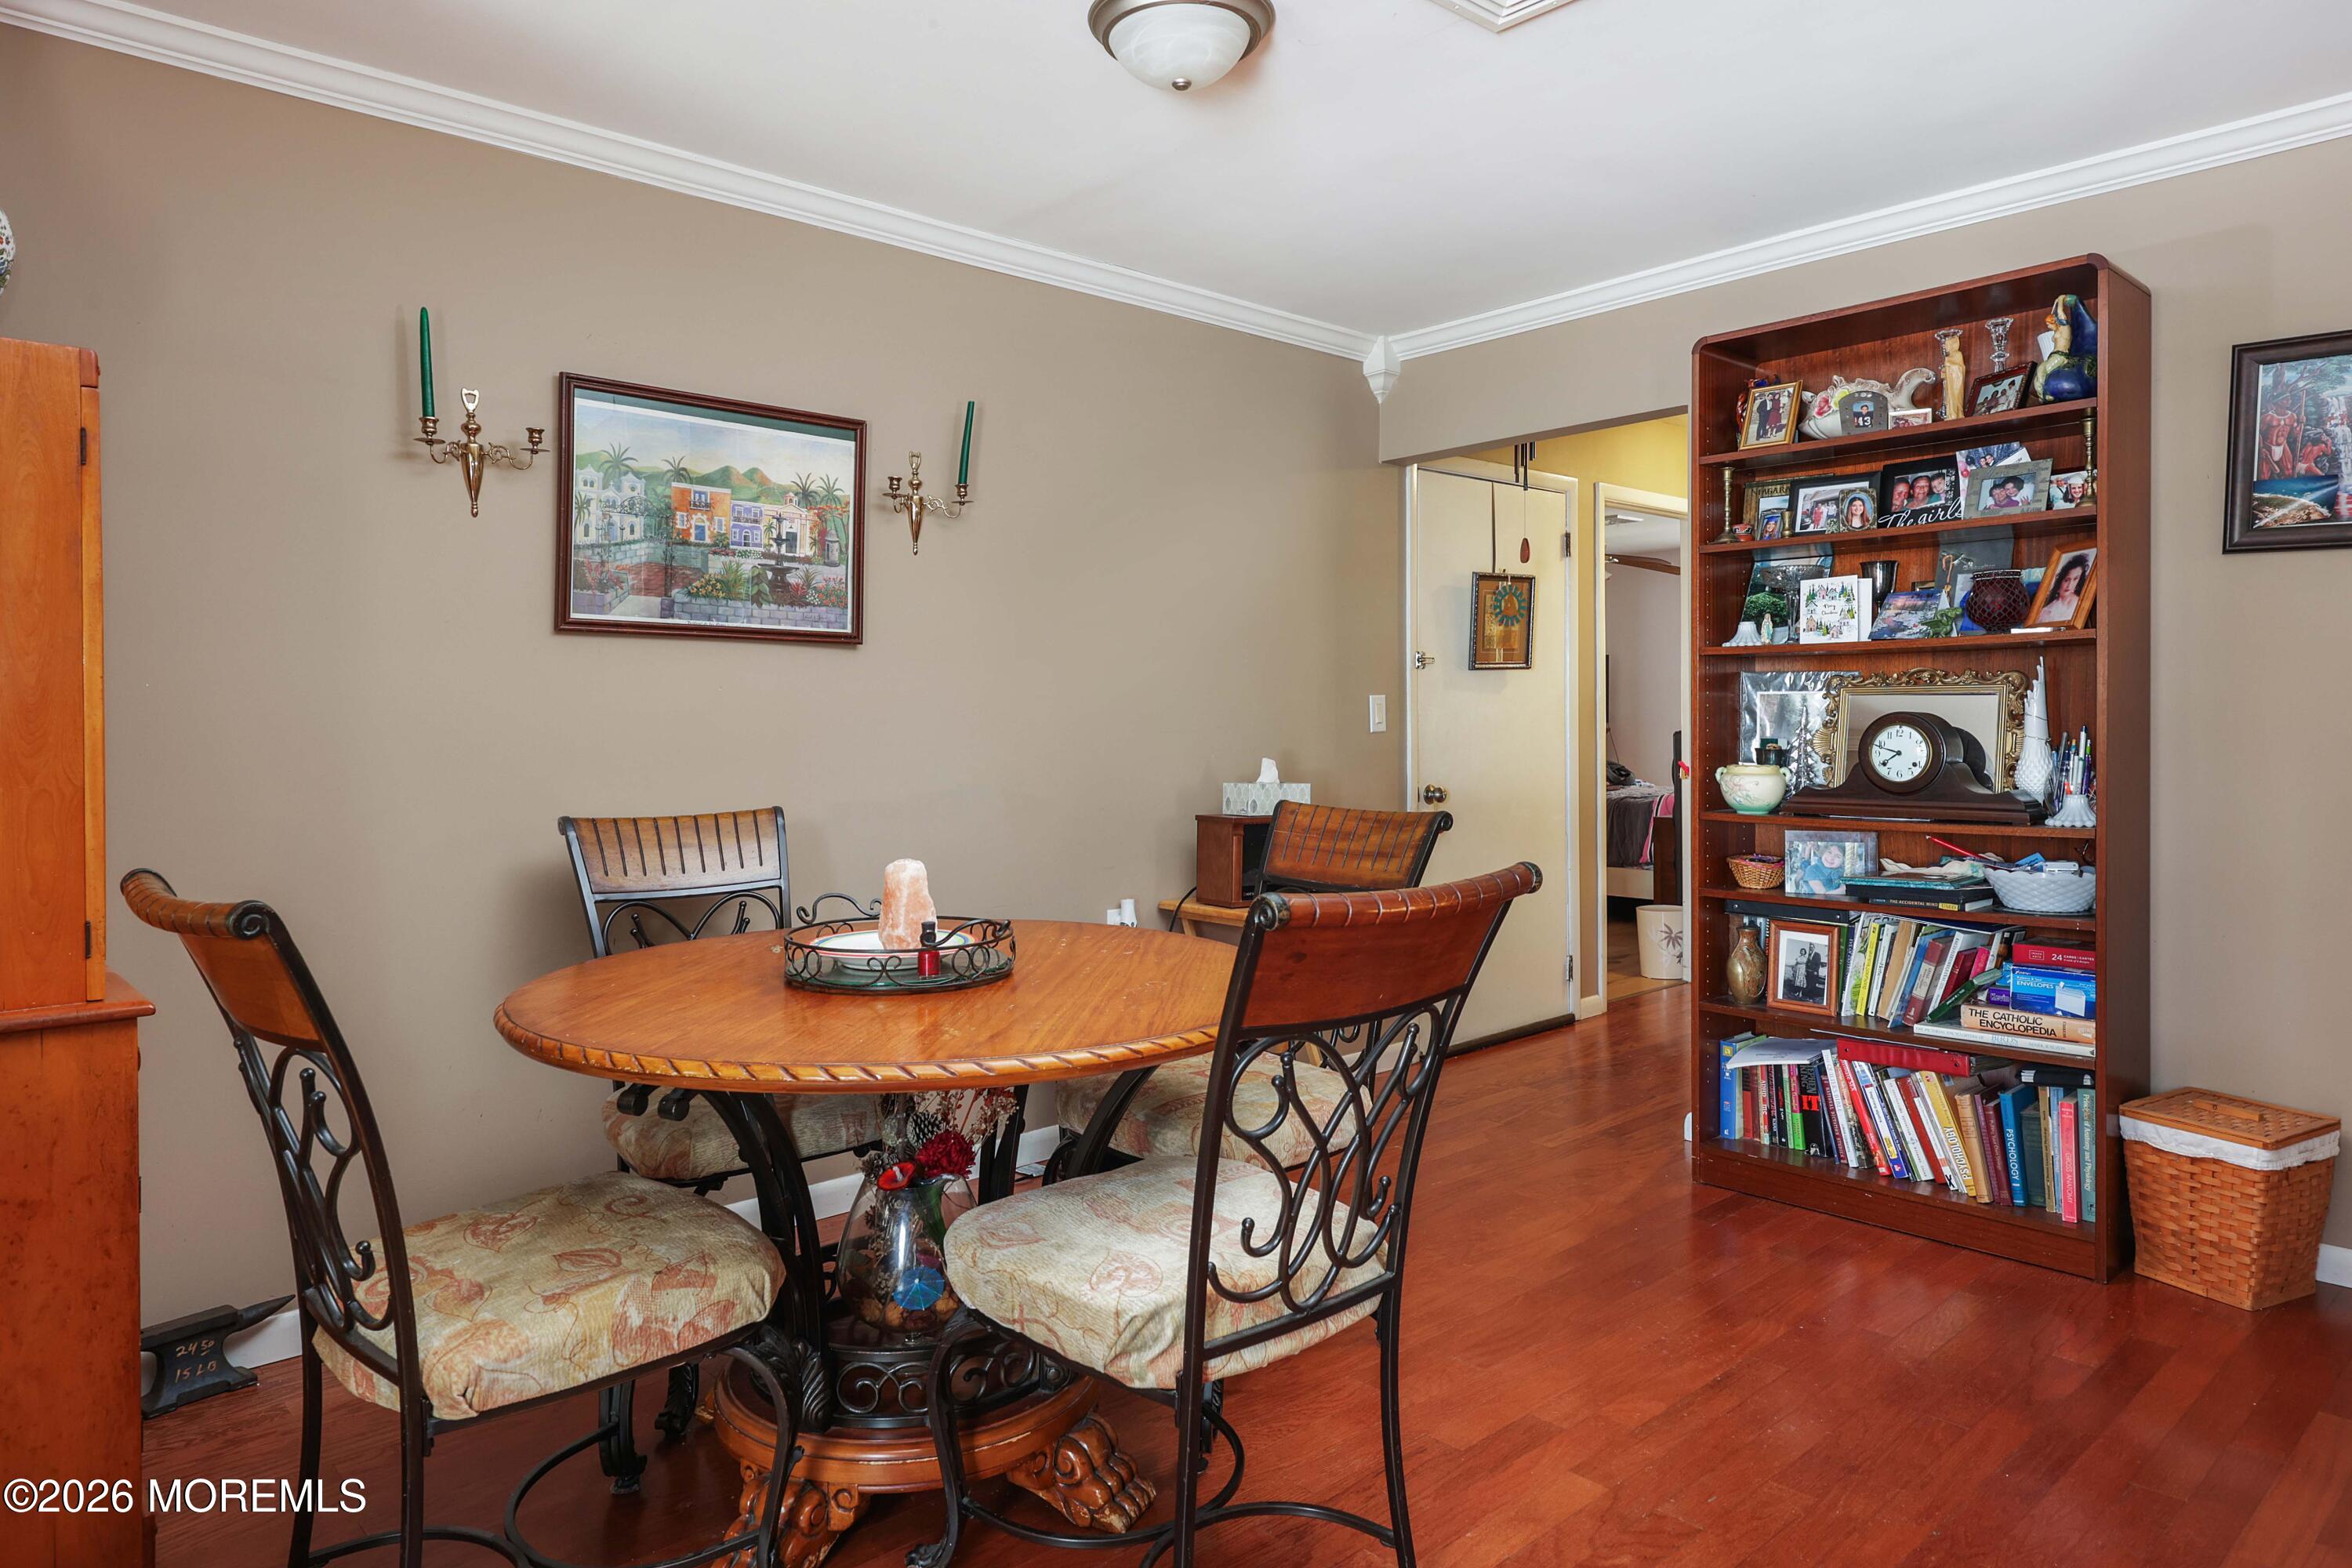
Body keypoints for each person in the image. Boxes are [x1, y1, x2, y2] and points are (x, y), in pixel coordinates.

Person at [2037, 554, 2091, 623]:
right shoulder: (2046, 612)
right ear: (2060, 581)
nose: (2070, 585)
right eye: (2066, 580)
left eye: (2075, 579)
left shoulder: (2084, 604)